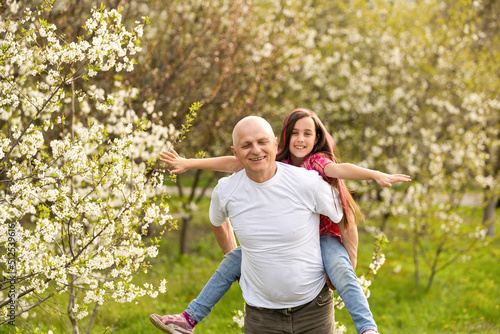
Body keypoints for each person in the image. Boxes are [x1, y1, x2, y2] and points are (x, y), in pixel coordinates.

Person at [150, 109, 411, 334]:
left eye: (308, 134)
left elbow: (344, 198)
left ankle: (367, 327)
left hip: (323, 249)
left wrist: (375, 175)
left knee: (343, 272)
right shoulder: (269, 163)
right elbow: (231, 166)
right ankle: (189, 319)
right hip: (261, 314)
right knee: (232, 260)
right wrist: (189, 163)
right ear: (284, 138)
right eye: (295, 133)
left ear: (275, 142)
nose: (300, 139)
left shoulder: (316, 167)